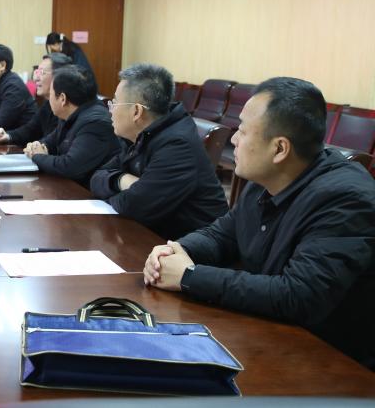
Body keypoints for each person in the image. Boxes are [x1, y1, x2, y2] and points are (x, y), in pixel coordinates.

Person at [143, 77, 375, 369]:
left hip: (332, 363)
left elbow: (298, 296)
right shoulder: (266, 179)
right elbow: (222, 234)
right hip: (270, 335)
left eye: (242, 131)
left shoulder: (345, 199)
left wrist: (189, 276)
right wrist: (175, 250)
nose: (233, 140)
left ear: (279, 149)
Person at [91, 64, 228, 240]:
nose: (110, 110)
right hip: (155, 235)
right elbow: (97, 178)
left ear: (136, 111)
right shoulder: (141, 133)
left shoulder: (178, 145)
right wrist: (122, 180)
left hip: (191, 247)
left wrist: (120, 191)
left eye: (115, 102)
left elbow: (134, 207)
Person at [23, 67, 119, 187]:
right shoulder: (70, 113)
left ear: (62, 99)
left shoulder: (95, 123)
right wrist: (36, 146)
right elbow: (50, 141)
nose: (49, 99)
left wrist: (37, 156)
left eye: (51, 94)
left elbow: (69, 166)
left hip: (88, 193)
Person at [0, 53, 72, 146]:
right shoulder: (47, 104)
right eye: (37, 72)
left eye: (42, 72)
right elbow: (30, 129)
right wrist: (8, 136)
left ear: (60, 76)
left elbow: (56, 144)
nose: (36, 78)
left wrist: (39, 147)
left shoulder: (67, 108)